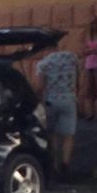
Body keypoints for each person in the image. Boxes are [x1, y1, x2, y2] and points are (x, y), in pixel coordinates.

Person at [36, 44, 79, 182]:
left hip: (51, 102)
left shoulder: (43, 64)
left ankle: (54, 166)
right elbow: (78, 73)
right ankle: (65, 165)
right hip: (69, 100)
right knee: (68, 136)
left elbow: (40, 87)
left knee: (52, 134)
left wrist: (37, 102)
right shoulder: (71, 57)